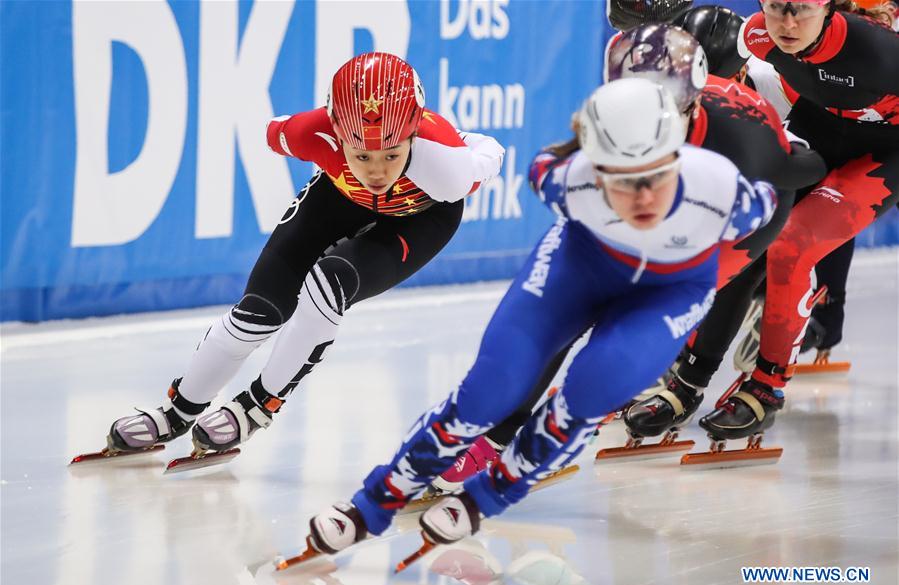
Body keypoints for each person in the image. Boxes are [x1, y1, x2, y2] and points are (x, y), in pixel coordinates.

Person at [300, 78, 777, 555]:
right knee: (489, 390)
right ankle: (373, 503)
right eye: (621, 181)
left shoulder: (727, 193)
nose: (643, 198)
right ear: (595, 167)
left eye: (656, 176)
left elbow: (779, 198)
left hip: (667, 291)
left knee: (595, 386)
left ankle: (487, 497)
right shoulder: (560, 178)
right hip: (583, 266)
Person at [428, 22, 825, 485]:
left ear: (689, 103)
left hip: (744, 209)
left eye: (660, 113)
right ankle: (494, 435)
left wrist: (791, 147)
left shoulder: (741, 134)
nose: (643, 123)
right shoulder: (618, 115)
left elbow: (805, 169)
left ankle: (620, 392)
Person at [100, 52, 504, 460]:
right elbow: (272, 129)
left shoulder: (448, 169)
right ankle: (177, 410)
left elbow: (491, 151)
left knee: (331, 283)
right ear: (336, 134)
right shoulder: (308, 134)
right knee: (256, 312)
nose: (377, 173)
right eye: (361, 155)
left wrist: (466, 144)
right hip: (338, 197)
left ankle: (258, 405)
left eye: (392, 155)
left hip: (422, 217)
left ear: (414, 137)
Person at [698, 0, 898, 446]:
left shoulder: (878, 52)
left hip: (885, 150)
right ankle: (688, 373)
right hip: (821, 128)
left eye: (800, 11)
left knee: (793, 241)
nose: (787, 23)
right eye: (777, 8)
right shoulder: (757, 36)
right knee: (747, 226)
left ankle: (768, 385)